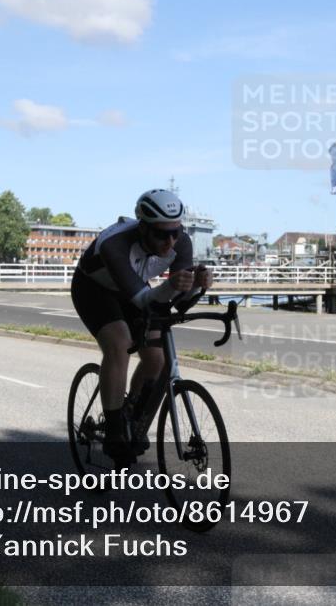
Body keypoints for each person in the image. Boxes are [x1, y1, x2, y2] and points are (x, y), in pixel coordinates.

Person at [71, 189, 213, 468]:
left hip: (135, 289)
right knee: (120, 344)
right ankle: (113, 429)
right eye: (162, 234)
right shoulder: (116, 244)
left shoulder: (179, 243)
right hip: (94, 290)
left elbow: (179, 301)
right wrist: (171, 286)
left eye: (176, 232)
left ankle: (131, 414)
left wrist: (196, 284)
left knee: (157, 358)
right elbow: (145, 299)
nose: (170, 241)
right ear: (143, 228)